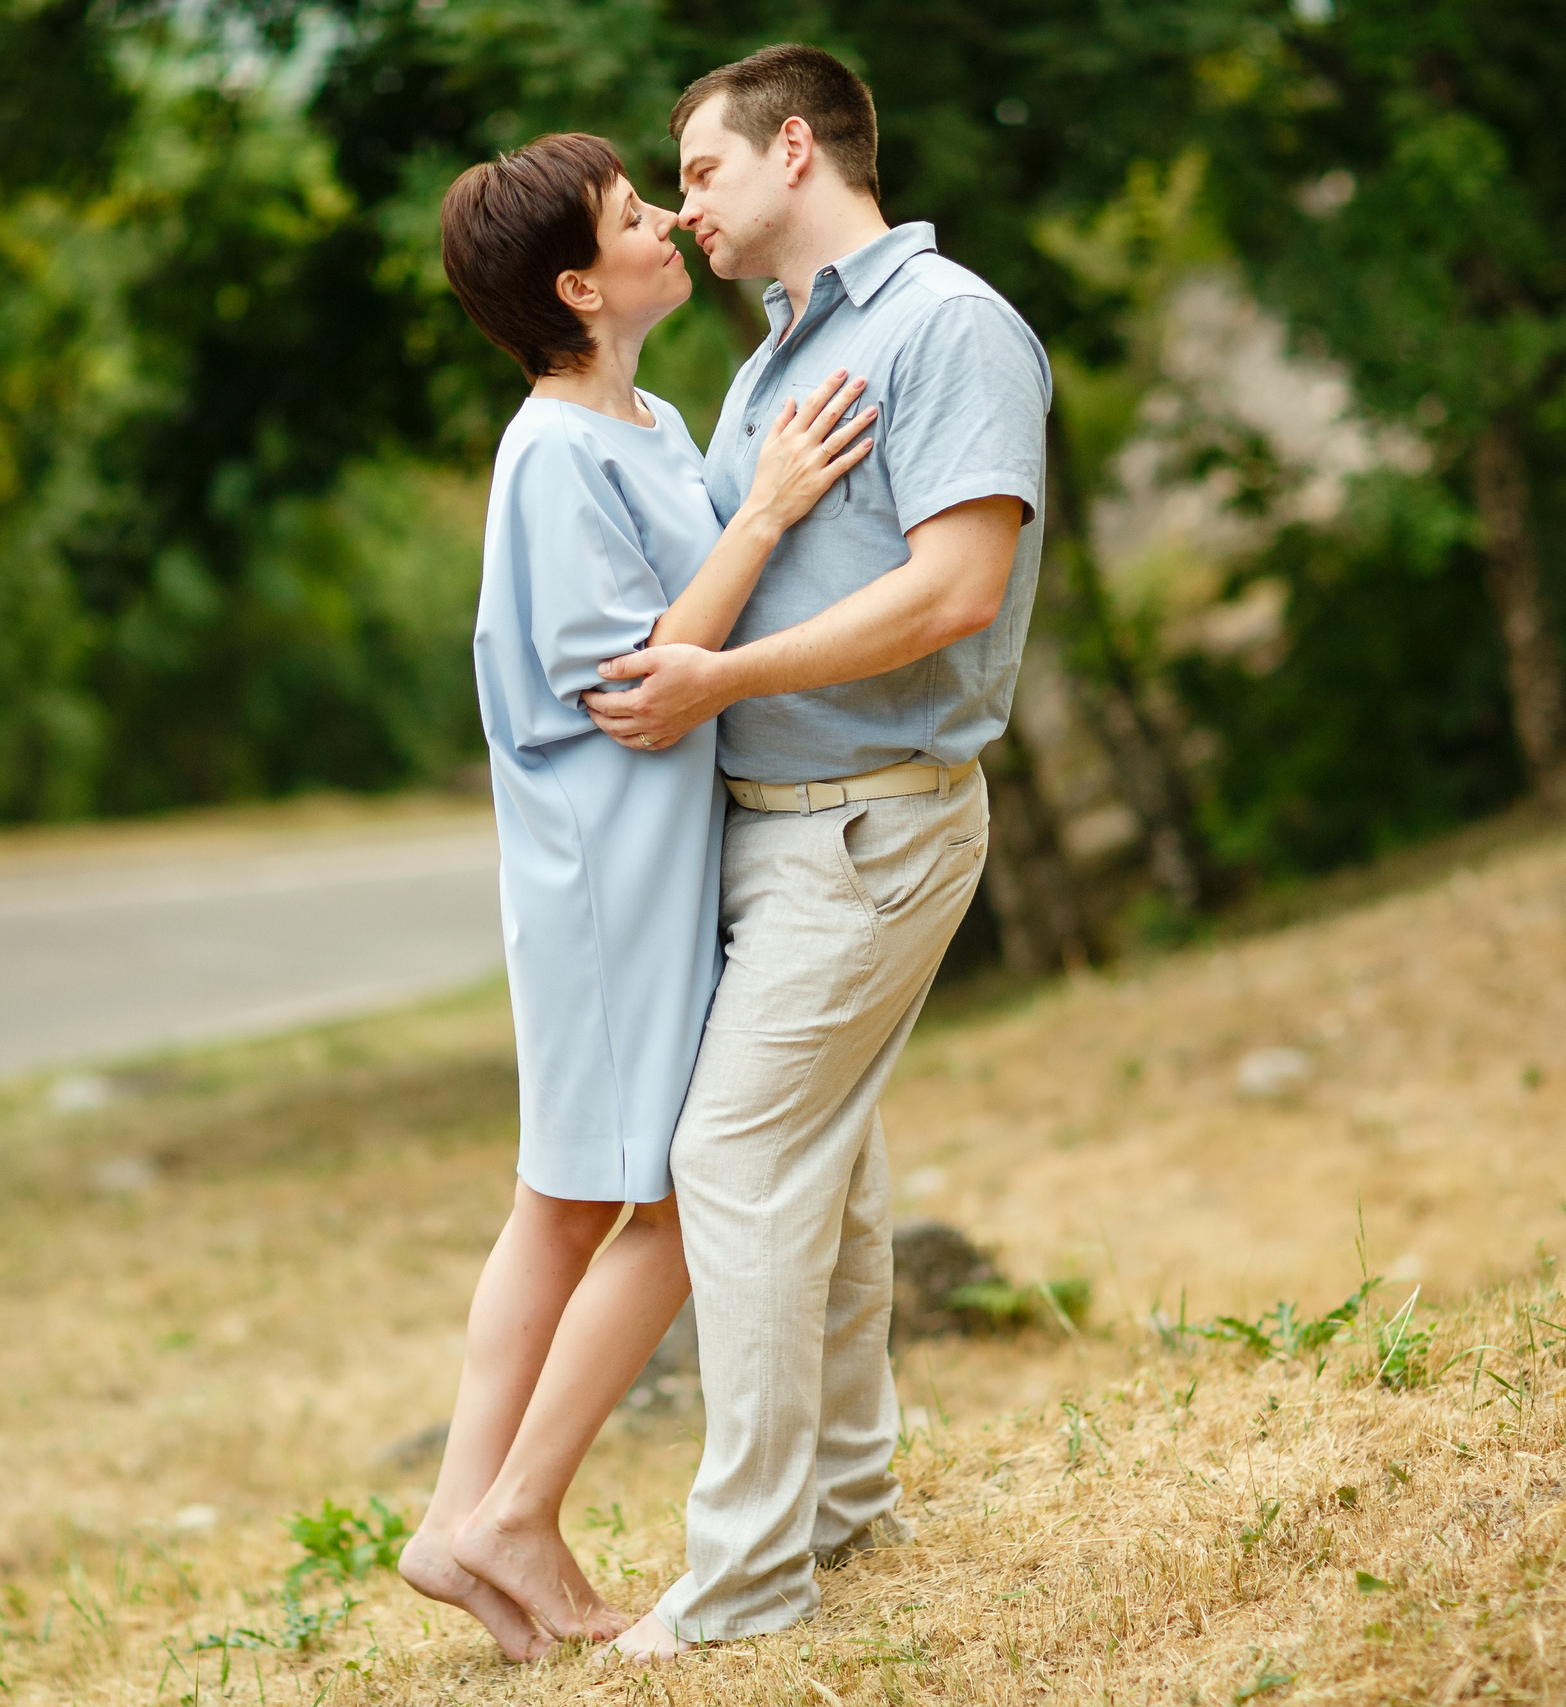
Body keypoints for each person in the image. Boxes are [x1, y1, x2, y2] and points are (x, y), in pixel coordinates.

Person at [589, 45, 1054, 1661]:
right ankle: (847, 1504)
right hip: (772, 836)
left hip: (872, 825)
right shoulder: (773, 359)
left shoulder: (950, 329)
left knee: (733, 1165)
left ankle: (742, 1584)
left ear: (796, 149)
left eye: (701, 174)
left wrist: (719, 682)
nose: (683, 209)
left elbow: (955, 592)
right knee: (826, 1179)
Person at [394, 130, 879, 1662]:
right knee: (660, 1195)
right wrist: (772, 509)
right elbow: (638, 688)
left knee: (576, 1199)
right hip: (606, 878)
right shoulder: (549, 456)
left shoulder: (646, 416)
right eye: (632, 214)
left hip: (651, 864)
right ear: (577, 283)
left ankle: (462, 1523)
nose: (670, 219)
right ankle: (508, 1517)